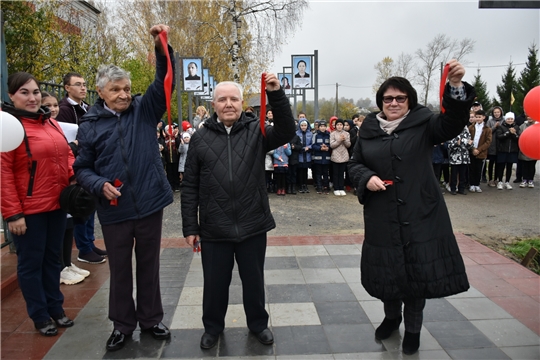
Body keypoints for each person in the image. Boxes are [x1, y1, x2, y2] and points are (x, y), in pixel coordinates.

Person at [348, 60, 471, 355]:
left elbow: (453, 123)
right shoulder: (368, 129)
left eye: (400, 98)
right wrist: (368, 178)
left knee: (416, 273)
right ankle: (392, 318)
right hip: (382, 214)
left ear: (409, 101)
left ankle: (413, 330)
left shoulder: (425, 123)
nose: (393, 103)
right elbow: (354, 164)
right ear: (380, 101)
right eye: (388, 98)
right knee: (389, 272)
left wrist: (454, 87)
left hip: (420, 212)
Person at [73, 24, 174, 351]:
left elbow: (164, 81)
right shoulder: (89, 126)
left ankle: (151, 319)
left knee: (149, 265)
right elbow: (81, 168)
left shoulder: (144, 110)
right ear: (101, 92)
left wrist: (162, 47)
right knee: (119, 271)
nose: (124, 94)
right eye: (116, 89)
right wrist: (98, 183)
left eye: (127, 88)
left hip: (149, 204)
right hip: (114, 210)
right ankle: (122, 325)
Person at [181, 74, 295, 350]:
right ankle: (212, 327)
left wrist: (276, 94)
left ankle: (258, 324)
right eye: (222, 99)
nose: (228, 104)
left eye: (234, 98)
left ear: (242, 102)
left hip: (252, 223)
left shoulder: (257, 131)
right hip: (214, 227)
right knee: (215, 284)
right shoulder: (200, 139)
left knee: (254, 282)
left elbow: (287, 130)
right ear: (214, 104)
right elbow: (190, 186)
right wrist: (190, 227)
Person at [1, 72, 76, 336]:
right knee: (31, 264)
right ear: (11, 95)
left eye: (35, 92)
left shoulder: (49, 123)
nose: (32, 98)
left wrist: (74, 177)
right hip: (28, 212)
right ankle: (40, 315)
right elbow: (3, 174)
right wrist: (13, 215)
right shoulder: (9, 126)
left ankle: (56, 308)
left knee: (52, 260)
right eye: (24, 92)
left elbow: (66, 155)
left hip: (56, 205)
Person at [56, 72, 106, 265]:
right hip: (76, 162)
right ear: (67, 88)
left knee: (90, 206)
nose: (83, 88)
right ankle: (83, 248)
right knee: (80, 205)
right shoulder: (65, 109)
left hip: (90, 160)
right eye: (78, 85)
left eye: (84, 84)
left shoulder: (87, 107)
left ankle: (90, 242)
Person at [41, 92, 89, 285]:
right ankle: (59, 267)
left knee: (68, 225)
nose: (53, 109)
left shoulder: (60, 127)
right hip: (49, 187)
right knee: (55, 233)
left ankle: (67, 263)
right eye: (48, 106)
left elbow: (67, 154)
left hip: (65, 183)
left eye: (55, 105)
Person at [495, 112, 520, 190]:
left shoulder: (516, 127)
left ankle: (507, 182)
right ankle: (500, 181)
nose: (510, 120)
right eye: (508, 119)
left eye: (511, 119)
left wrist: (514, 133)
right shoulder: (501, 127)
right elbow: (499, 137)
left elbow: (518, 138)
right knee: (501, 166)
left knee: (509, 167)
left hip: (512, 150)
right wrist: (508, 132)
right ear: (505, 119)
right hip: (502, 150)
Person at [468, 110, 492, 193]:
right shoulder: (471, 128)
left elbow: (488, 142)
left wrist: (479, 149)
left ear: (484, 117)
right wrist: (473, 149)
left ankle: (477, 184)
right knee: (472, 168)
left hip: (481, 153)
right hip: (472, 151)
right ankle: (471, 184)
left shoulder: (487, 129)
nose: (478, 119)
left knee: (479, 169)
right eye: (476, 117)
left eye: (479, 117)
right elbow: (468, 139)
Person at [448, 126, 472, 195]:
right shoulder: (452, 133)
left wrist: (469, 144)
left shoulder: (467, 133)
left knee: (463, 174)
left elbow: (469, 145)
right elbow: (449, 146)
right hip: (455, 158)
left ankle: (461, 188)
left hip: (464, 158)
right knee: (454, 174)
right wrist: (456, 144)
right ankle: (453, 188)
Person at [330, 118, 351, 196]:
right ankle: (336, 188)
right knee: (335, 173)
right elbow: (332, 145)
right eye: (338, 125)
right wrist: (339, 140)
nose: (339, 126)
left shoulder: (347, 134)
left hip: (344, 156)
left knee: (342, 173)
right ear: (335, 126)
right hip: (335, 156)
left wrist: (344, 140)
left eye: (341, 124)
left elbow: (348, 145)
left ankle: (341, 188)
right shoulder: (332, 134)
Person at [486, 106, 504, 187]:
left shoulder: (503, 121)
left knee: (498, 163)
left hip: (500, 145)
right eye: (495, 112)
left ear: (501, 113)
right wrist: (494, 127)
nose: (497, 114)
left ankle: (497, 179)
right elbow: (487, 131)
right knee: (491, 163)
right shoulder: (490, 121)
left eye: (498, 112)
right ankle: (490, 179)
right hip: (492, 145)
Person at [312, 120, 331, 194]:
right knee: (318, 173)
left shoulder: (329, 135)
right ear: (318, 127)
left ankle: (326, 187)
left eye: (324, 126)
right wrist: (320, 148)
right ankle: (319, 187)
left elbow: (331, 144)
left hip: (326, 158)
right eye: (321, 126)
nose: (322, 128)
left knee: (326, 173)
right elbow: (313, 145)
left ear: (326, 127)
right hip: (318, 158)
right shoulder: (315, 135)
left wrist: (327, 147)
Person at [518, 114, 537, 188]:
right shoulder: (523, 126)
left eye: (531, 117)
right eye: (528, 117)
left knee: (532, 166)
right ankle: (524, 179)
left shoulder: (537, 126)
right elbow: (520, 135)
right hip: (525, 148)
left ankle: (531, 180)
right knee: (524, 165)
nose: (529, 118)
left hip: (534, 149)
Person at [296, 119, 313, 193]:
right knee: (300, 171)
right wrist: (301, 148)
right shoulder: (296, 133)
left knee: (305, 171)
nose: (303, 127)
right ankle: (300, 185)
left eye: (305, 125)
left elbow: (313, 143)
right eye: (302, 125)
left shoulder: (310, 134)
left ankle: (305, 184)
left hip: (307, 154)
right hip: (299, 155)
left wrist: (309, 147)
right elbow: (295, 143)